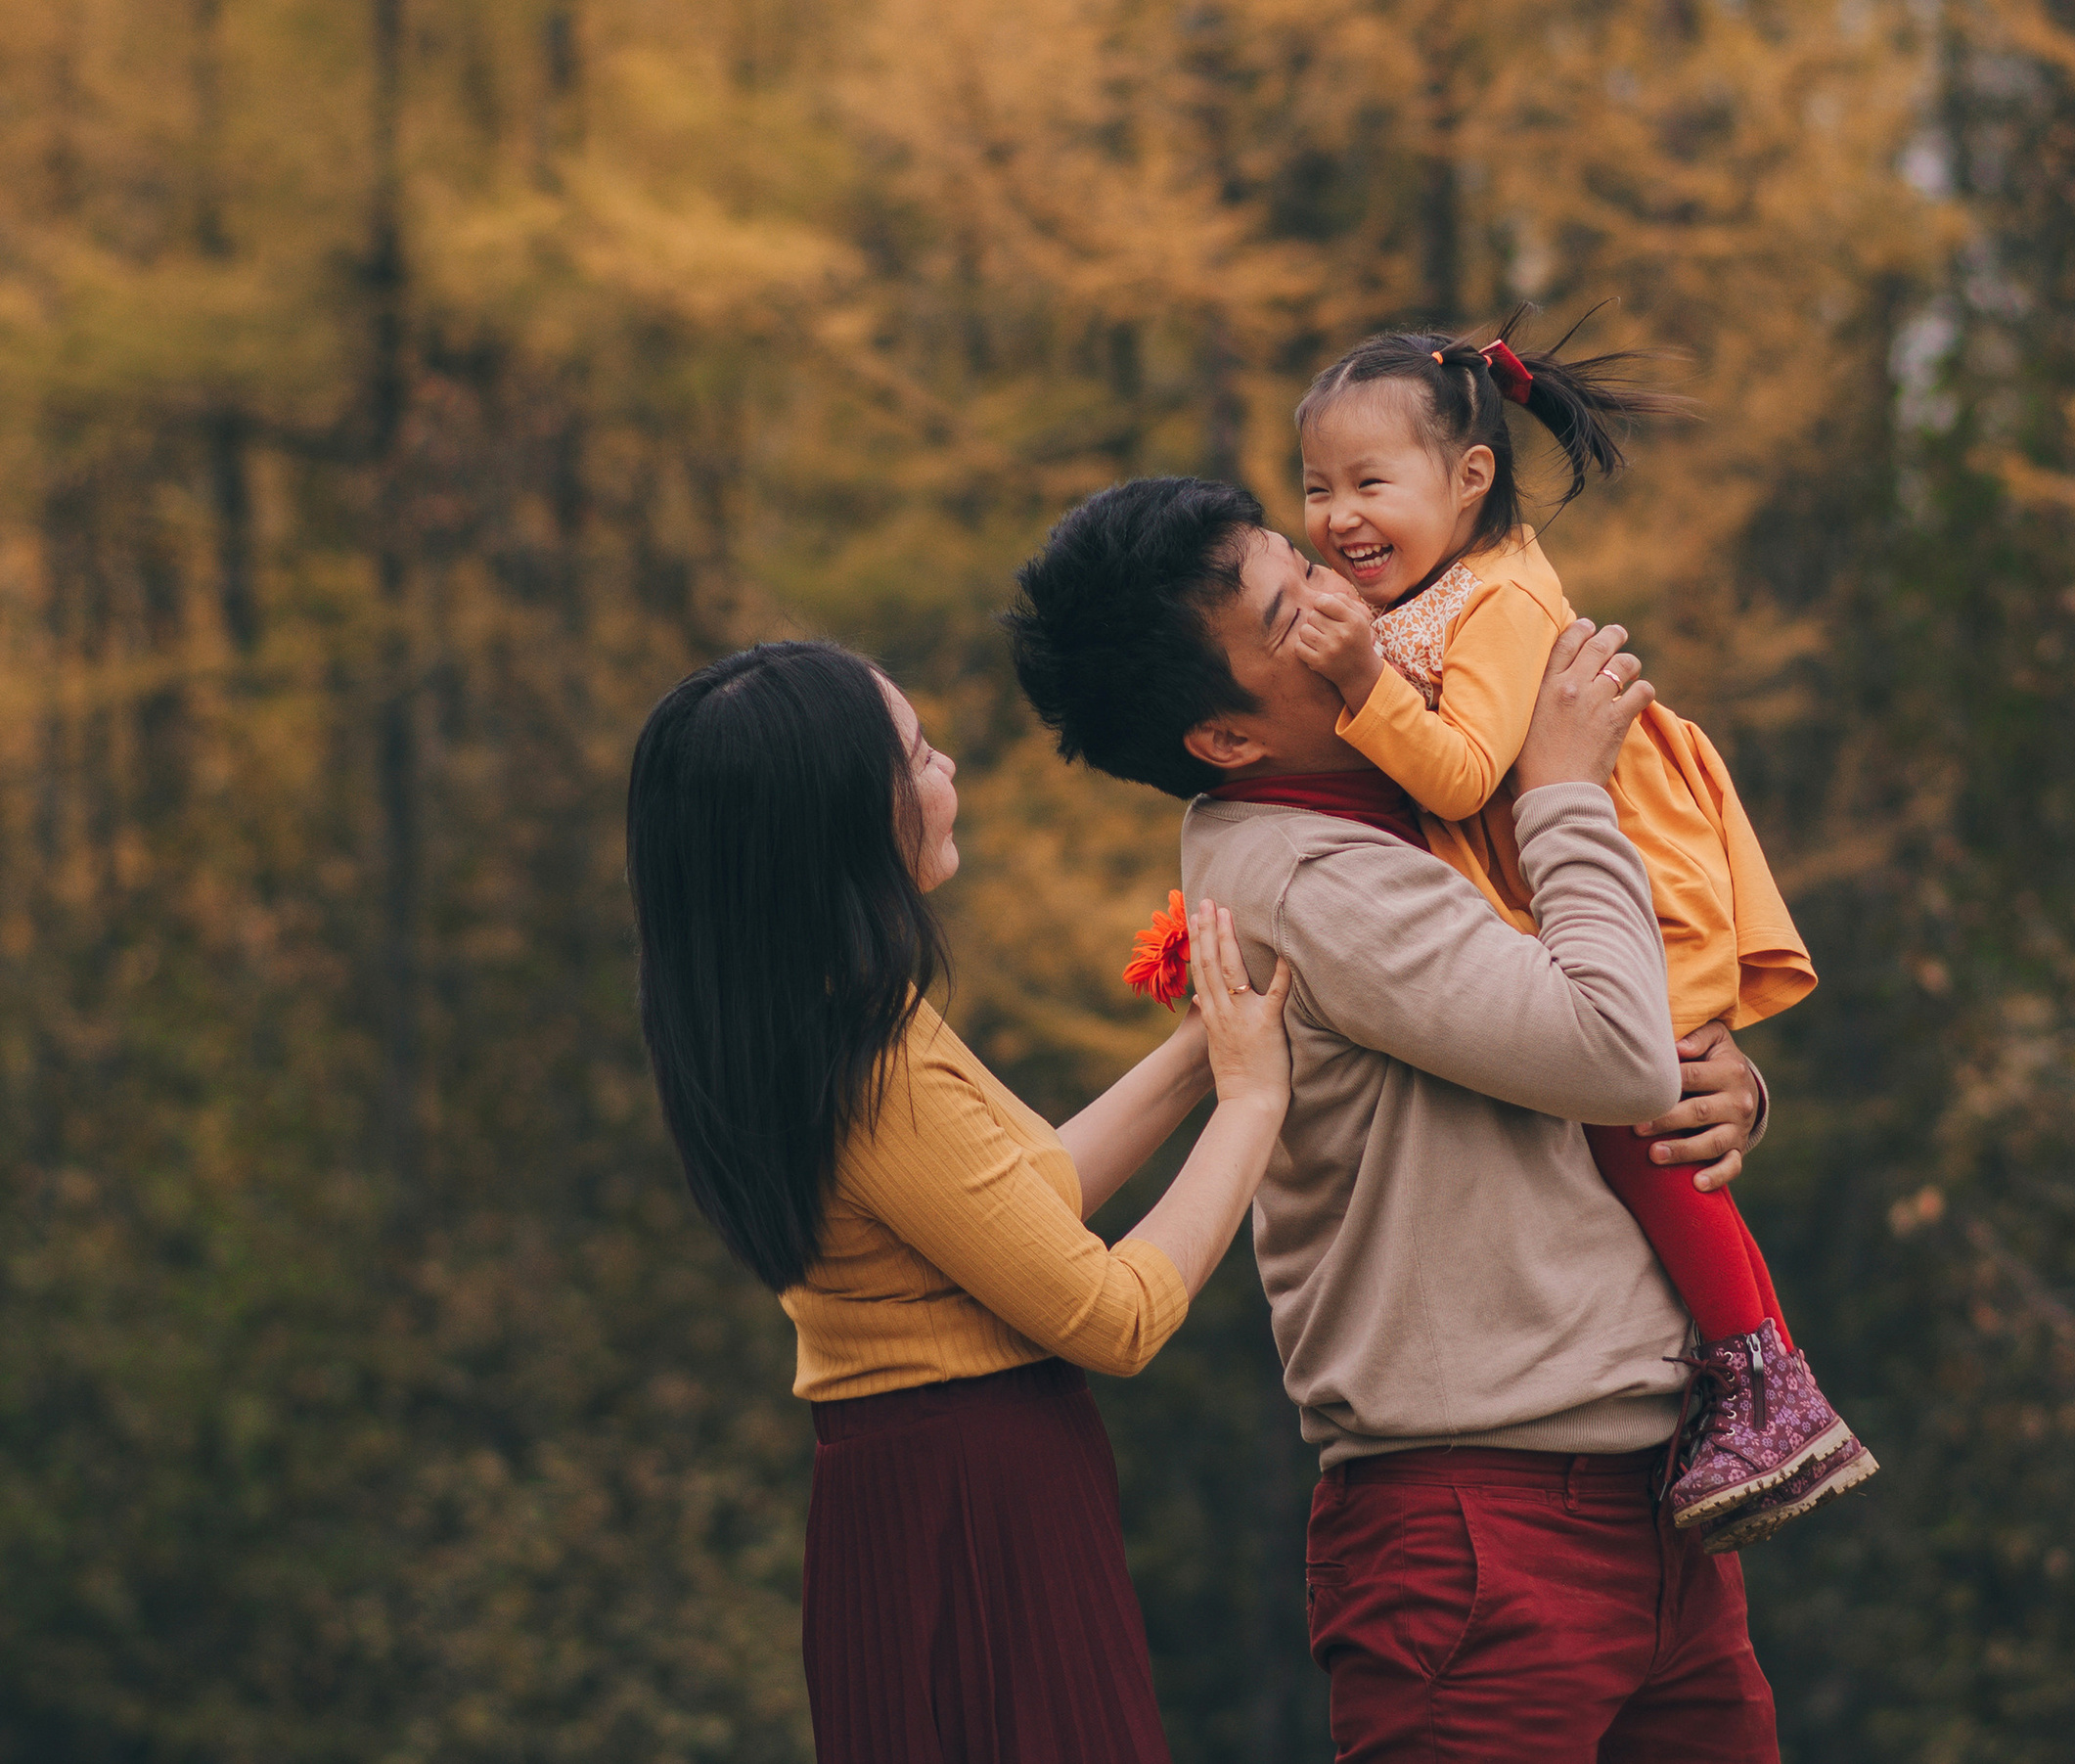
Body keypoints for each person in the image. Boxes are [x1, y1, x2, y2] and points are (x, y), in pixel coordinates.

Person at [1007, 478, 1784, 1760]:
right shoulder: (1306, 873)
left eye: (1308, 563)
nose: (1343, 597)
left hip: (1656, 1497)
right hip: (1483, 1526)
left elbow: (1621, 1034)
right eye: (1290, 610)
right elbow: (1605, 1046)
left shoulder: (1408, 790)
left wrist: (1731, 1080)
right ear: (1225, 738)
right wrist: (1566, 787)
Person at [625, 639, 1293, 1764]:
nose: (948, 776)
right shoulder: (873, 1064)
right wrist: (1249, 1101)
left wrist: (1195, 1057)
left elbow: (1027, 1201)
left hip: (903, 1499)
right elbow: (1111, 1315)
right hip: (976, 1508)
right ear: (841, 824)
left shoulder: (811, 1022)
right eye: (921, 755)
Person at [1286, 321, 1874, 1545]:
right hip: (1566, 875)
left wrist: (1357, 685)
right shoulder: (1427, 590)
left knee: (1634, 1126)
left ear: (1469, 481)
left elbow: (1454, 777)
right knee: (1634, 1118)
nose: (1339, 517)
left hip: (1630, 873)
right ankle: (1747, 1364)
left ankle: (1760, 1370)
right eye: (1316, 489)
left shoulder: (1496, 603)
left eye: (1369, 484)